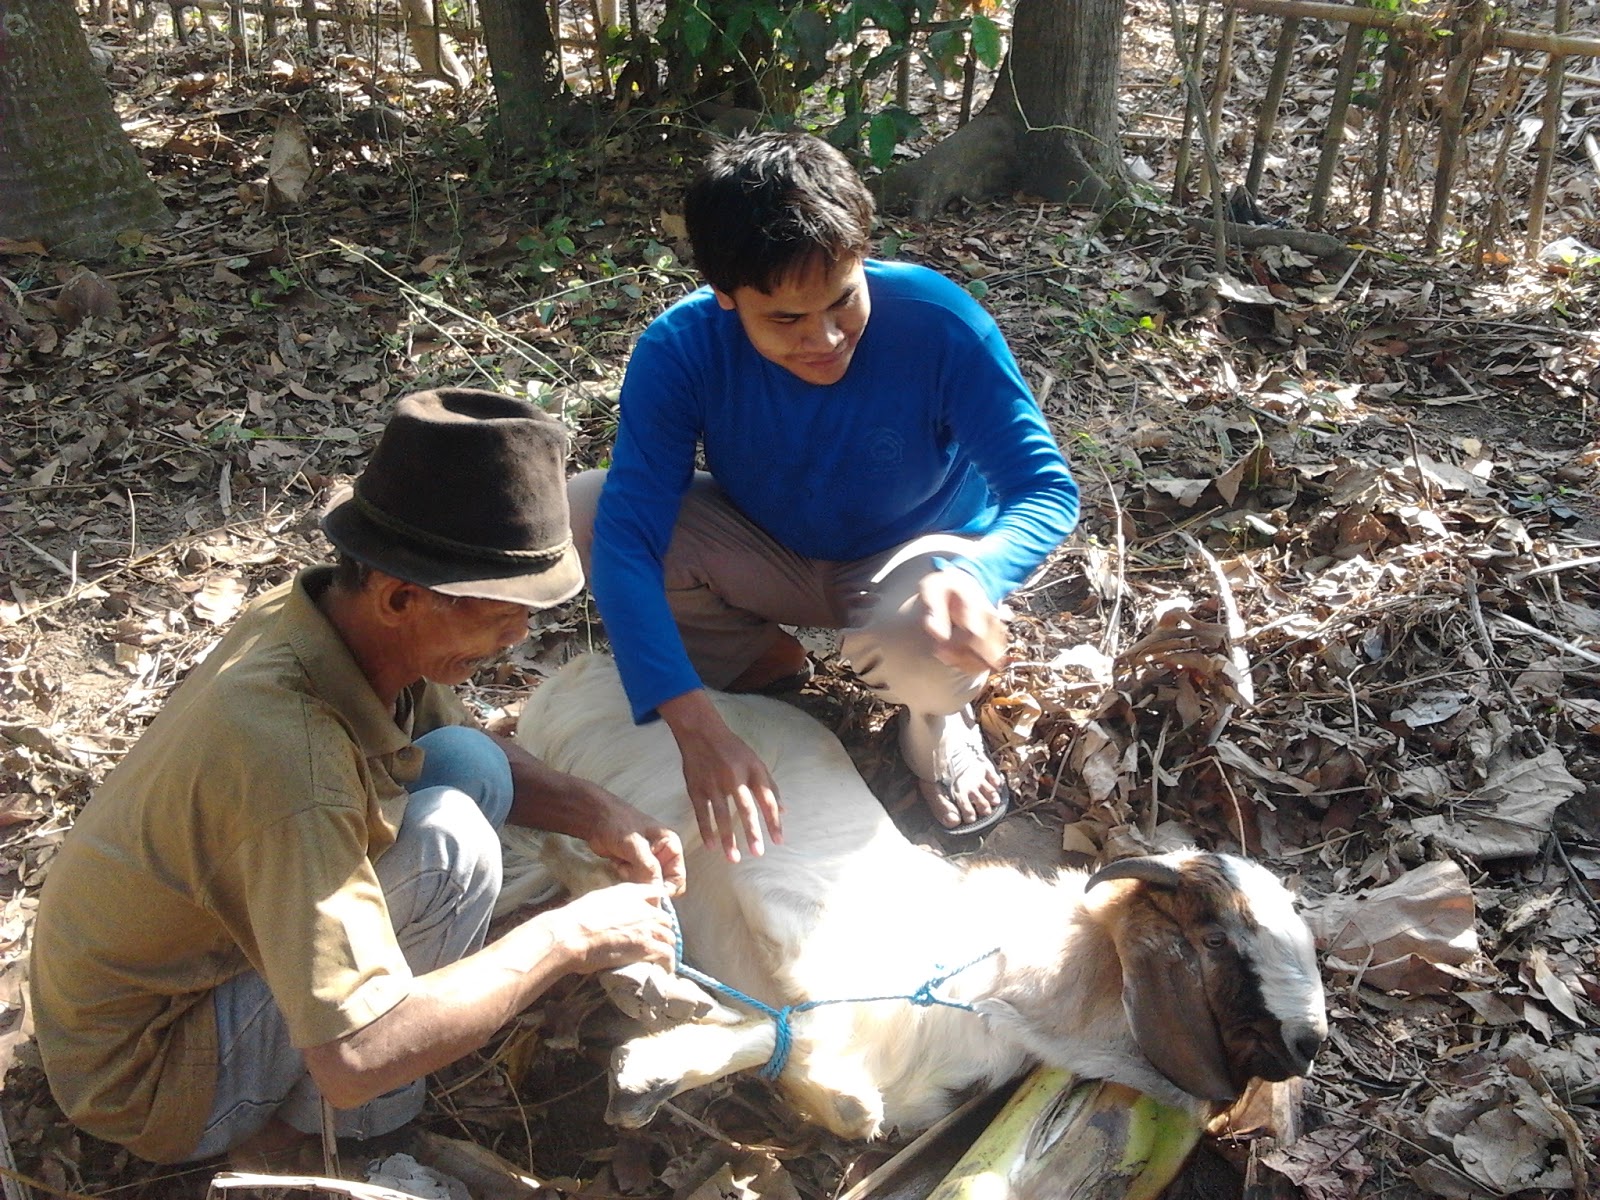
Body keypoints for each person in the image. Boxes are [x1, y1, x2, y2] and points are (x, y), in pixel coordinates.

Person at [29, 389, 685, 1167]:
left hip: (173, 976)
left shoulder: (330, 619)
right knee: (450, 850)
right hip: (152, 1074)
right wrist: (568, 936)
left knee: (469, 763)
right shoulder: (291, 760)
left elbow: (454, 742)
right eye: (502, 612)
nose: (519, 635)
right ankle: (361, 1147)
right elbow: (359, 1058)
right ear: (402, 596)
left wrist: (600, 813)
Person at [571, 132, 1079, 861]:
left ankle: (936, 721)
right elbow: (628, 537)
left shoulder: (936, 321)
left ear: (862, 257)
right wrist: (695, 730)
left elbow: (1045, 488)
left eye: (844, 300)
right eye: (785, 319)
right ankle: (760, 669)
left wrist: (978, 572)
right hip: (771, 549)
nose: (827, 338)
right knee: (589, 508)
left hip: (916, 564)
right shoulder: (681, 349)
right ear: (725, 296)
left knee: (921, 636)